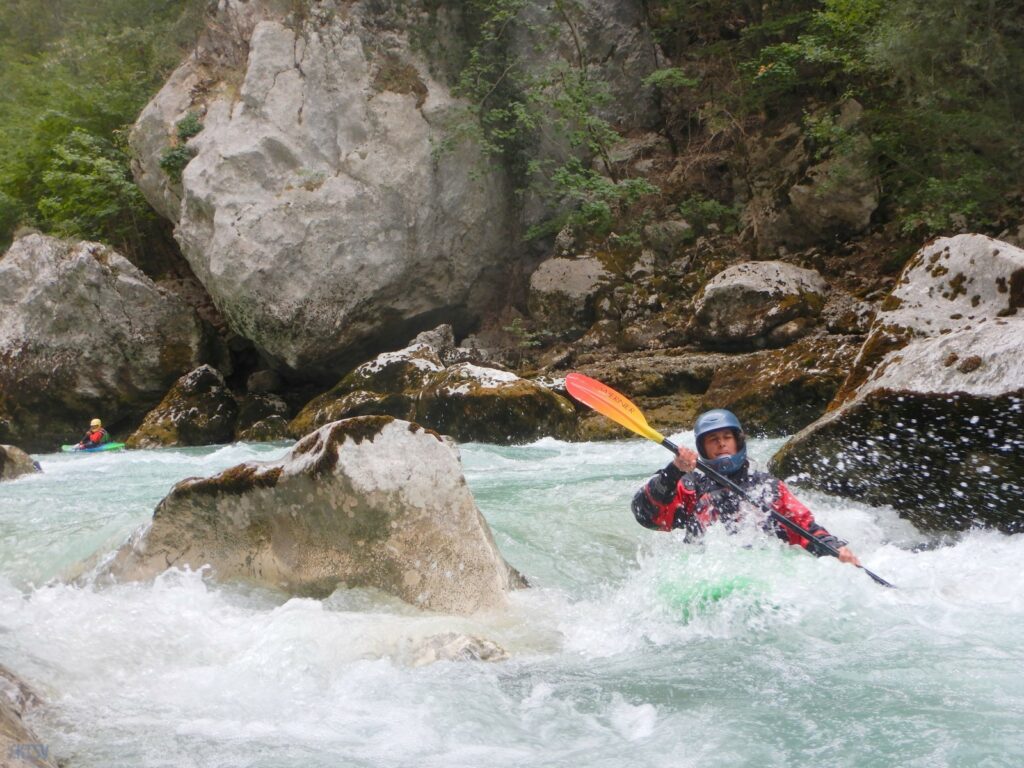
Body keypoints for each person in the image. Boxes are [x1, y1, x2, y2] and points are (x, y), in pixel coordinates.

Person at [632, 409, 861, 565]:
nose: (721, 444)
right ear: (703, 447)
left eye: (727, 437)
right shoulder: (690, 485)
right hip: (704, 572)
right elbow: (646, 515)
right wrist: (673, 471)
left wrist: (833, 548)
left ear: (738, 441)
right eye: (713, 439)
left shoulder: (767, 487)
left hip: (760, 571)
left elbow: (803, 526)